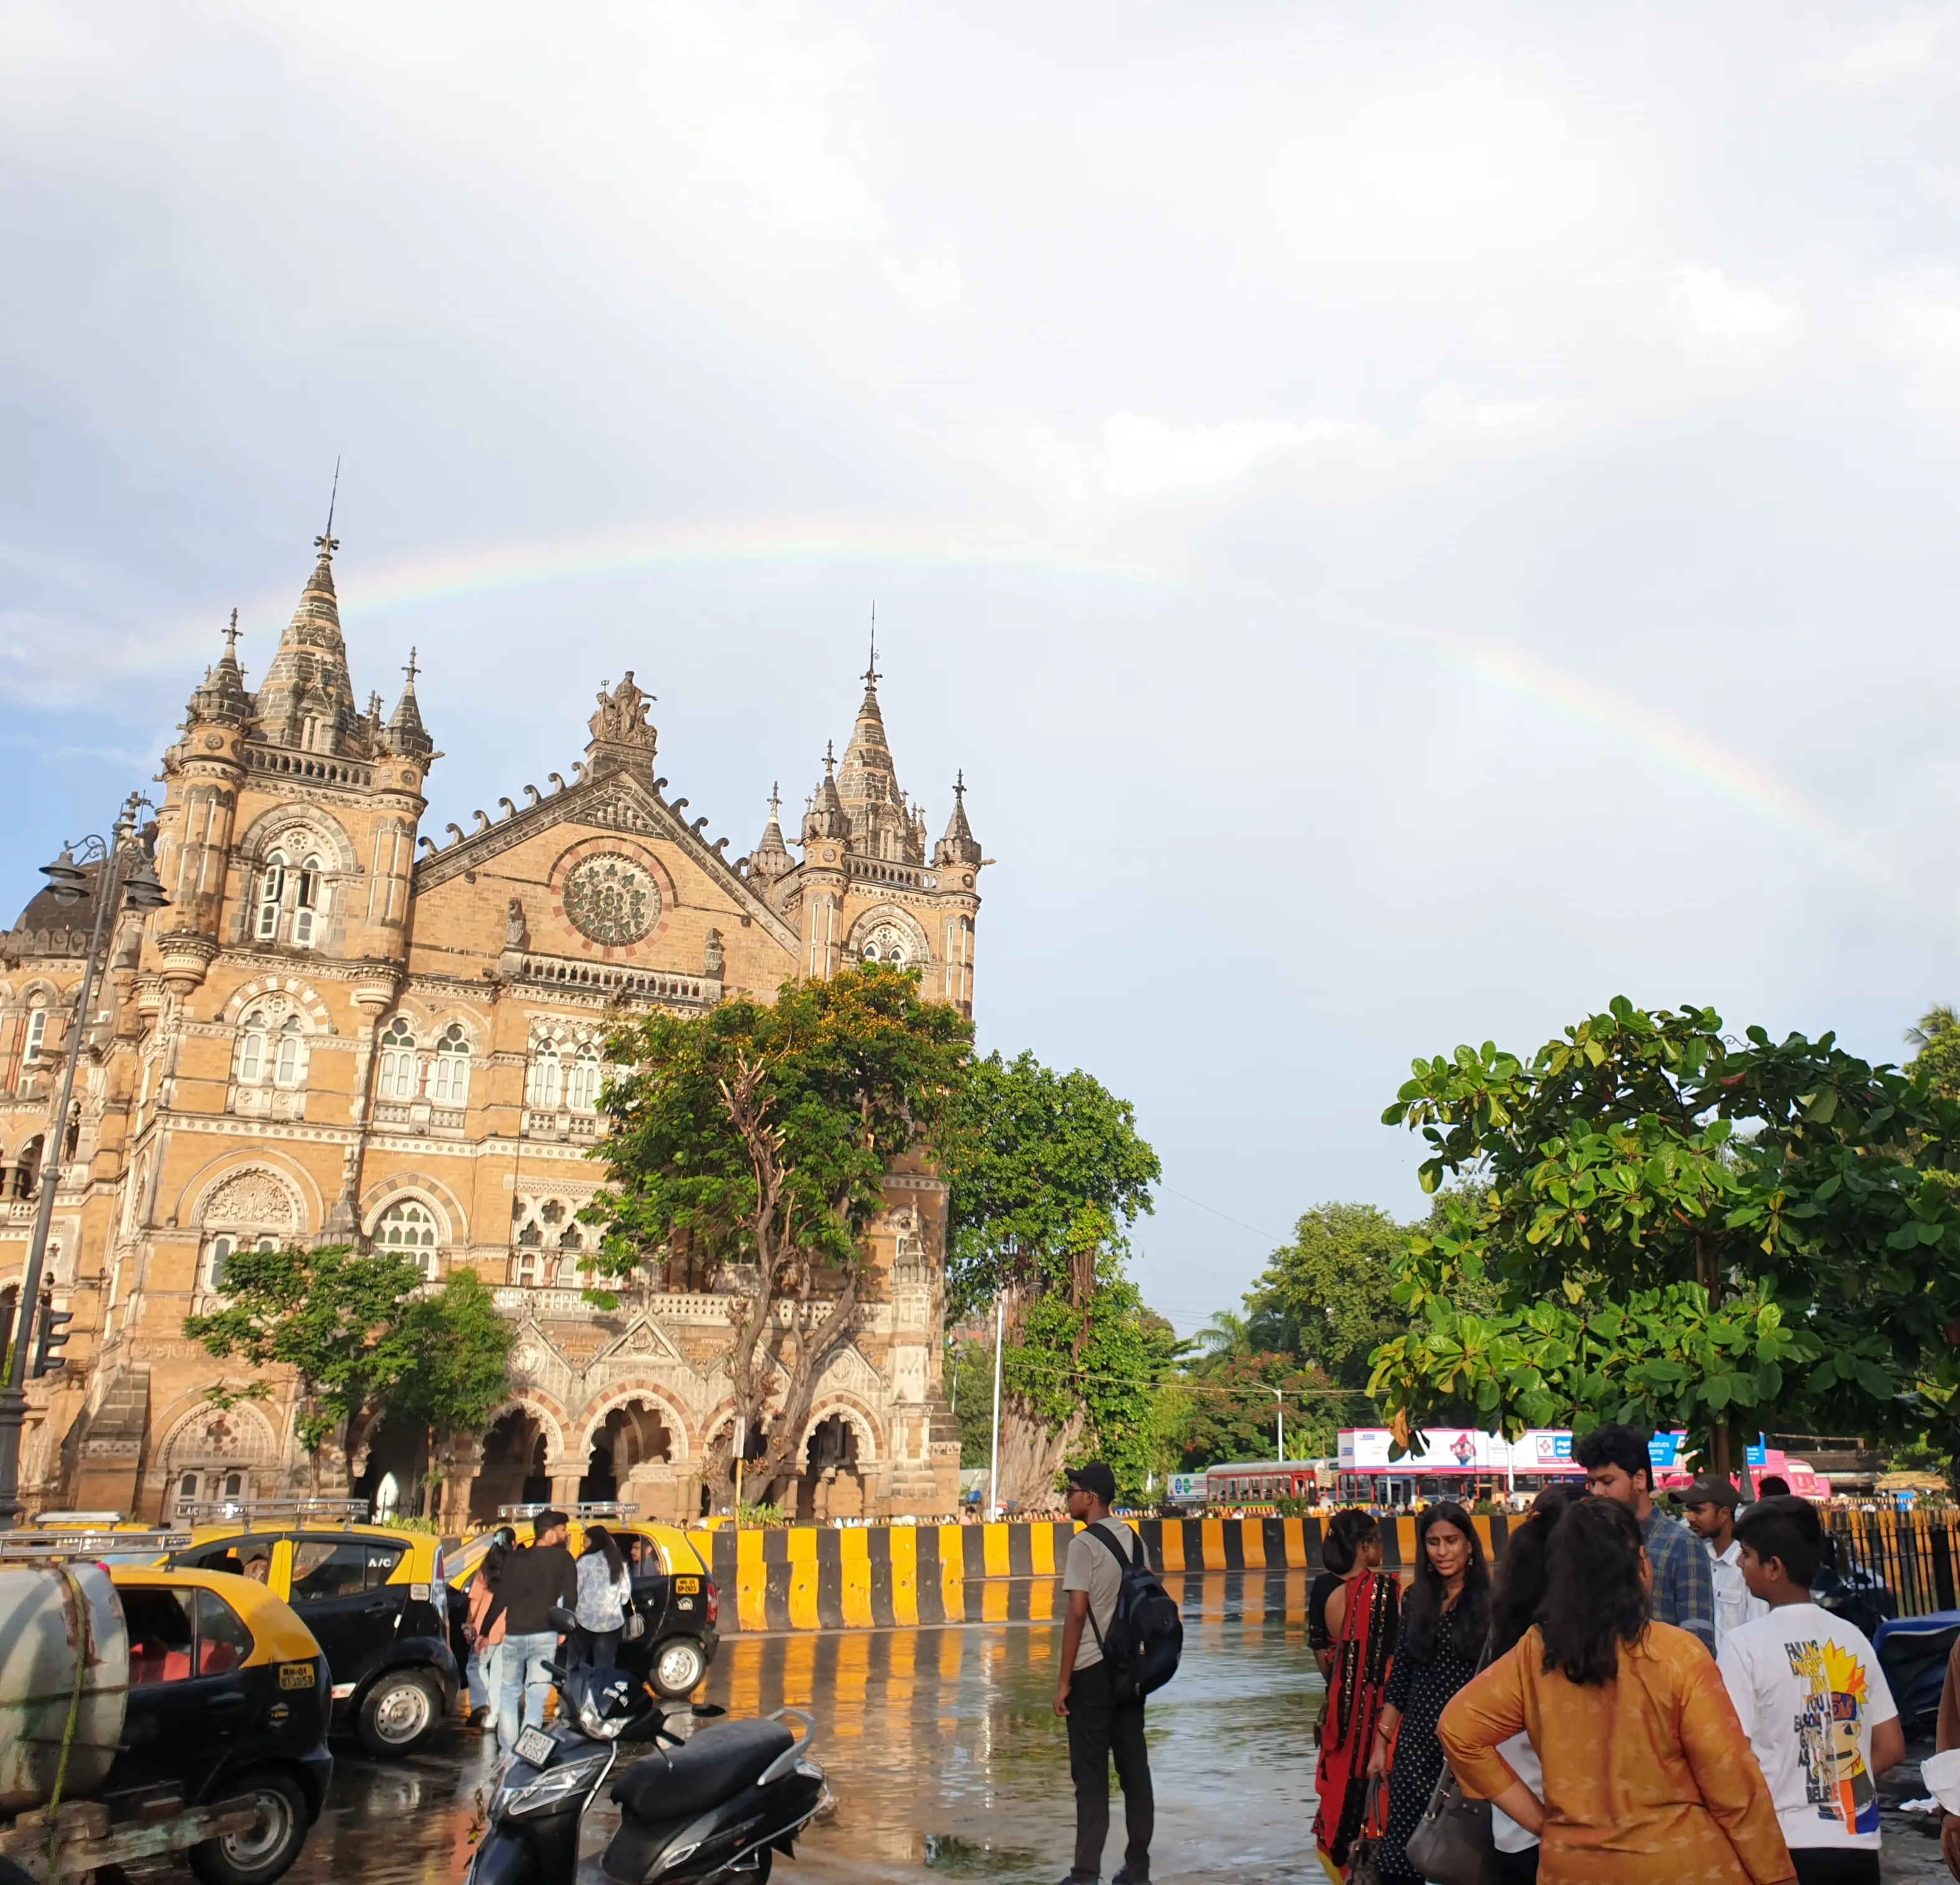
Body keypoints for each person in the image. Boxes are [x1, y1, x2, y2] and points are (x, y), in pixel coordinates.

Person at [1439, 1495, 1793, 1884]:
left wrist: (1543, 1823)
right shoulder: (1677, 1654)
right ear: (1641, 1565)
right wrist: (1776, 1876)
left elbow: (1458, 1730)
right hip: (1683, 1865)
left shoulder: (1538, 1651)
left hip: (1574, 1868)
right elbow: (1734, 1786)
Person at [1718, 1495, 1903, 1885]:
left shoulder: (1744, 1644)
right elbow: (1890, 1747)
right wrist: (1839, 1785)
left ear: (1774, 1568)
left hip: (1783, 1845)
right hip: (1856, 1845)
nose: (1739, 1564)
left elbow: (1730, 1758)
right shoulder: (1852, 1638)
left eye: (1746, 1555)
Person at [1365, 1500, 1490, 1884]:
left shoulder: (1490, 1603)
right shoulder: (1416, 1598)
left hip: (1464, 1750)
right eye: (1433, 1542)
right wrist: (1381, 1745)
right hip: (1416, 1747)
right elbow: (1401, 1674)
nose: (1442, 1551)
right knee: (1403, 1862)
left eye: (1451, 1541)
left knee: (1458, 1857)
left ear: (1469, 1544)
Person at [1053, 1462, 1152, 1885]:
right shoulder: (1135, 1540)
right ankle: (1137, 1868)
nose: (1068, 1497)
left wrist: (1062, 1683)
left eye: (1072, 1490)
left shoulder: (1083, 1546)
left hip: (1091, 1674)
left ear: (1089, 1498)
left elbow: (1076, 1615)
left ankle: (1084, 1874)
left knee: (1091, 1778)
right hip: (1131, 1672)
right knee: (1134, 1775)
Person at [1481, 1482, 1583, 1883]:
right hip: (1557, 1834)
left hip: (1510, 1832)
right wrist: (1547, 1827)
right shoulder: (1555, 1634)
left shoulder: (1510, 1622)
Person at [1576, 1422, 1716, 1652]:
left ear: (1639, 1479)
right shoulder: (1589, 1542)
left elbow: (1698, 1646)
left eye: (1607, 1481)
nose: (1596, 1492)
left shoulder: (1682, 1545)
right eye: (1592, 1483)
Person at [1312, 1508, 1398, 1878]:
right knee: (1376, 1798)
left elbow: (1324, 1658)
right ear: (1365, 1547)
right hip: (1378, 1717)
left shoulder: (1321, 1588)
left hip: (1338, 1716)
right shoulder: (1382, 1592)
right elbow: (1395, 1661)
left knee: (1338, 1798)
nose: (1381, 1548)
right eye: (1377, 1541)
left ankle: (1339, 1863)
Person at [495, 1510, 577, 1753]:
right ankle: (527, 1752)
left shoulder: (515, 1558)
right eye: (563, 1530)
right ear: (551, 1533)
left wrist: (485, 1631)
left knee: (509, 1692)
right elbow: (571, 1598)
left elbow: (502, 1598)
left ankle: (507, 1752)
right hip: (545, 1634)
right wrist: (566, 1629)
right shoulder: (564, 1559)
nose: (565, 1535)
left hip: (515, 1633)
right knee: (537, 1696)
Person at [1683, 1478, 1768, 1651]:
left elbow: (1760, 1631)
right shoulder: (1696, 1558)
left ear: (1723, 1514)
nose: (1690, 1518)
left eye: (1698, 1511)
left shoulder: (1749, 1565)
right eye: (1689, 1511)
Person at [465, 1527, 515, 1729]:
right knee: (499, 1672)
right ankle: (497, 1710)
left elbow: (475, 1601)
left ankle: (481, 1705)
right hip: (507, 1627)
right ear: (513, 1544)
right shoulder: (517, 1568)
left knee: (475, 1666)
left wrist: (469, 1622)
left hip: (484, 1628)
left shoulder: (486, 1568)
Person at [570, 1523, 633, 1668]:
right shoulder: (619, 1563)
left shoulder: (585, 1562)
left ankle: (577, 1690)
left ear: (594, 1541)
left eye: (585, 1541)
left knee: (577, 1665)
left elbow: (574, 1590)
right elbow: (625, 1596)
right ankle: (602, 1690)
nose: (584, 1545)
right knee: (605, 1666)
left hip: (584, 1620)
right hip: (611, 1622)